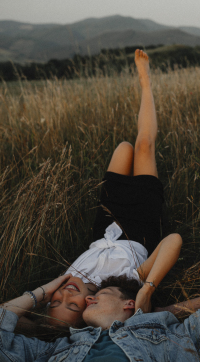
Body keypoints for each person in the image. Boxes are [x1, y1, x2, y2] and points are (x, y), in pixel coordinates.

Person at [25, 49, 182, 329]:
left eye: (55, 301)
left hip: (107, 218)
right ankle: (146, 82)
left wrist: (46, 293)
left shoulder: (64, 280)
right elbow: (174, 239)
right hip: (141, 222)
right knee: (143, 144)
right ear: (89, 305)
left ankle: (143, 88)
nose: (64, 296)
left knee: (124, 147)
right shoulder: (124, 283)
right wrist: (147, 288)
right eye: (71, 305)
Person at [0, 275, 200, 362]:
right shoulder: (56, 350)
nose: (90, 298)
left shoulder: (169, 337)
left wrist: (148, 310)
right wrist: (41, 293)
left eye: (103, 293)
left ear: (128, 303)